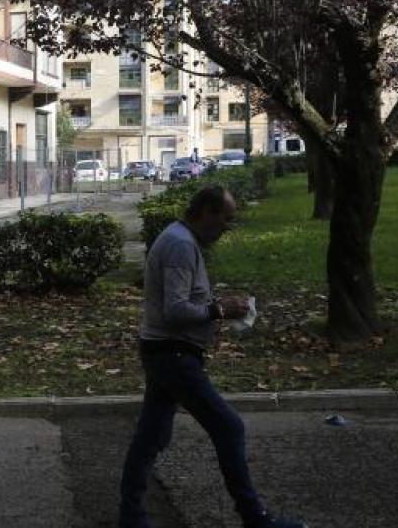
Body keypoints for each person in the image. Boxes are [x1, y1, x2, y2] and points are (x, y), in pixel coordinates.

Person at [118, 185, 306, 528]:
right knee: (228, 426)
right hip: (173, 355)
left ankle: (131, 517)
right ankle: (255, 518)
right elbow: (175, 310)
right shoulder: (179, 245)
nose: (227, 227)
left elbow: (182, 301)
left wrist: (219, 306)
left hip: (165, 351)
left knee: (151, 435)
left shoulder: (182, 239)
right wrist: (219, 309)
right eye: (226, 219)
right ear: (206, 213)